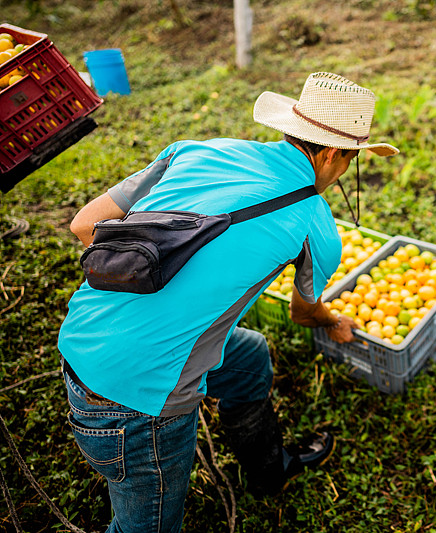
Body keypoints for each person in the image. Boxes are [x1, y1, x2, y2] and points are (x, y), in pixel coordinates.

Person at [57, 72, 399, 532]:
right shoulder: (313, 222)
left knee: (250, 356)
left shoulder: (196, 151)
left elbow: (84, 226)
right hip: (137, 404)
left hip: (81, 340)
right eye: (352, 161)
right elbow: (303, 313)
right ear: (334, 155)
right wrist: (333, 321)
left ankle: (269, 469)